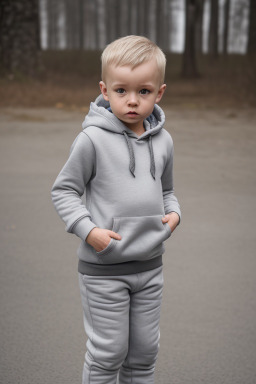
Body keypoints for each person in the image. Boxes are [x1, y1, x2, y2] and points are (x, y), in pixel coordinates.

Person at [51, 35, 181, 384]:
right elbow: (64, 190)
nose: (133, 101)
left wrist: (174, 215)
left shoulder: (164, 141)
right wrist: (89, 231)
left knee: (144, 355)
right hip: (104, 269)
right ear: (105, 90)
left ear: (160, 93)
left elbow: (167, 190)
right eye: (121, 90)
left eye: (144, 91)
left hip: (150, 267)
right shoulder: (92, 140)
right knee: (108, 353)